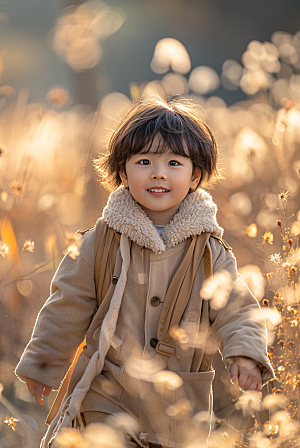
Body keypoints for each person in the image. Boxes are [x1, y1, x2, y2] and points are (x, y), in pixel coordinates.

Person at [15, 97, 274, 448]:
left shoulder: (210, 251)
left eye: (173, 162)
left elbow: (237, 308)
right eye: (144, 161)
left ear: (195, 175)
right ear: (123, 172)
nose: (158, 172)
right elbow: (66, 305)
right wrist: (43, 363)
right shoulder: (100, 242)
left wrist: (245, 353)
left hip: (178, 399)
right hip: (107, 391)